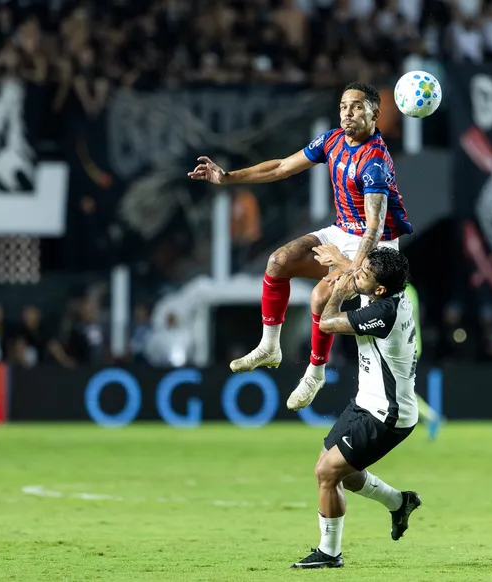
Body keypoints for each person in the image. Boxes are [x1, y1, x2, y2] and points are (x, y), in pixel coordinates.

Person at [188, 82, 412, 409]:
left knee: (323, 297)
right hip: (343, 230)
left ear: (375, 115)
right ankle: (269, 346)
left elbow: (374, 228)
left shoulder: (374, 161)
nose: (348, 113)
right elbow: (280, 166)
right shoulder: (332, 140)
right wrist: (228, 177)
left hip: (376, 246)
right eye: (343, 106)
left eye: (357, 107)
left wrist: (348, 269)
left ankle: (316, 372)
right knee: (278, 261)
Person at [288, 246, 421, 569]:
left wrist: (339, 287)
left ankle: (330, 553)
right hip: (367, 403)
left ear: (379, 289)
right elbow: (365, 278)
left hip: (386, 416)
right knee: (341, 474)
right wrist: (345, 264)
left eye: (363, 274)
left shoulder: (383, 312)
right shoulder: (385, 293)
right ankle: (399, 502)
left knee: (326, 473)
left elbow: (327, 323)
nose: (356, 273)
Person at [404, 283, 442, 440]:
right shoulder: (410, 289)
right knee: (398, 389)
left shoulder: (398, 290)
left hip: (405, 347)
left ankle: (431, 417)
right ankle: (430, 417)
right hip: (411, 344)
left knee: (400, 390)